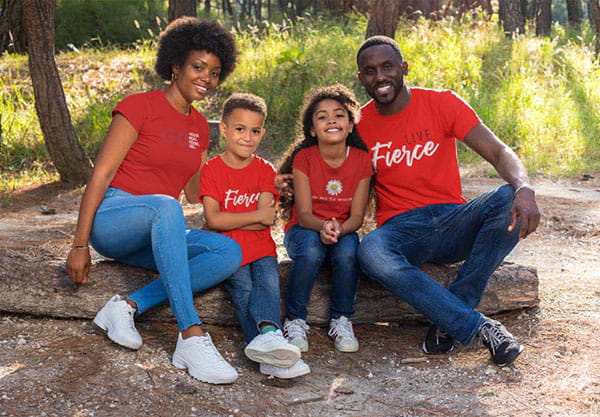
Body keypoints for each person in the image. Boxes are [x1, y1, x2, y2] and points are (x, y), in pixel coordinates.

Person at [66, 17, 243, 384]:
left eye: (214, 73)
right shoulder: (138, 106)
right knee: (166, 205)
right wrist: (80, 244)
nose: (206, 79)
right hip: (115, 218)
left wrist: (243, 166)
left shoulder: (198, 126)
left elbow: (195, 192)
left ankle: (127, 305)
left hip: (159, 227)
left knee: (227, 252)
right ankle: (190, 336)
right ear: (175, 65)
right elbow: (99, 176)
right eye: (198, 67)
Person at [354, 36, 540, 367]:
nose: (379, 77)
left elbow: (499, 151)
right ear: (361, 79)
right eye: (370, 71)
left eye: (387, 67)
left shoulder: (441, 103)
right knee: (370, 251)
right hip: (403, 231)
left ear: (403, 68)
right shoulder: (359, 127)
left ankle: (449, 317)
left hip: (453, 221)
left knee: (508, 196)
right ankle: (475, 325)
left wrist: (524, 187)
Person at [200, 93, 310, 379]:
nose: (247, 137)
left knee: (268, 283)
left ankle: (270, 338)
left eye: (255, 131)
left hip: (262, 250)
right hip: (230, 252)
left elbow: (267, 219)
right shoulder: (212, 170)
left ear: (262, 132)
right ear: (223, 129)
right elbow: (213, 218)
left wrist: (228, 221)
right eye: (240, 129)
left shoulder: (264, 170)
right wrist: (245, 220)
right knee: (244, 291)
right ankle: (273, 356)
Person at [278, 85, 373, 354]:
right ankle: (295, 319)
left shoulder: (362, 161)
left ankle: (341, 319)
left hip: (343, 229)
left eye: (339, 115)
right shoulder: (304, 158)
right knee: (310, 248)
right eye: (322, 116)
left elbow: (357, 217)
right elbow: (305, 214)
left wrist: (339, 229)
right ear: (312, 129)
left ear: (351, 125)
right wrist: (323, 227)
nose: (331, 120)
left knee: (348, 251)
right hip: (304, 228)